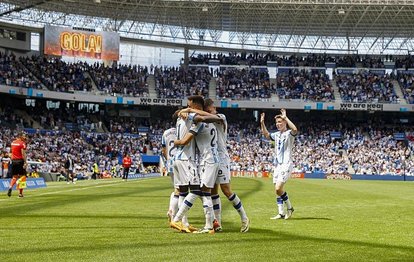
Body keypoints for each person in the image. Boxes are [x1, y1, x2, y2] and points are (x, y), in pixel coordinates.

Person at [179, 99, 250, 232]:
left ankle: (244, 218)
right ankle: (217, 224)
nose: (207, 112)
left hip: (222, 158)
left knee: (226, 190)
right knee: (212, 192)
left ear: (213, 108)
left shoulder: (221, 117)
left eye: (208, 110)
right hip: (211, 159)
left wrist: (189, 110)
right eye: (205, 110)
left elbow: (209, 118)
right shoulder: (204, 118)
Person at [170, 95, 223, 234]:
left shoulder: (188, 118)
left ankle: (184, 222)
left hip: (185, 158)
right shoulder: (195, 118)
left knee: (189, 192)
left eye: (190, 106)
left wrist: (176, 142)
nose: (187, 108)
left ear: (197, 108)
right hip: (192, 159)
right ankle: (183, 221)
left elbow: (178, 116)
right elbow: (208, 118)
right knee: (199, 192)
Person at [260, 109, 298, 220]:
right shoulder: (276, 135)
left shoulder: (289, 134)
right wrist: (262, 123)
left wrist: (286, 117)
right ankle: (281, 212)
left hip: (286, 164)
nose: (278, 124)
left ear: (285, 123)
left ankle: (290, 208)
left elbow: (295, 129)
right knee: (277, 191)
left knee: (278, 188)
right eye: (277, 122)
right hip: (277, 165)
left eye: (280, 122)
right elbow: (267, 135)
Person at [161, 110, 179, 222]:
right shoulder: (182, 131)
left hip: (170, 162)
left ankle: (171, 210)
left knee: (176, 188)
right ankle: (173, 213)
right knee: (181, 190)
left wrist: (168, 159)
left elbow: (163, 149)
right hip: (181, 162)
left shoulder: (165, 133)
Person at [7, 132, 28, 198]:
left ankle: (10, 186)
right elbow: (23, 154)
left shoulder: (13, 143)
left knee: (14, 176)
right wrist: (25, 162)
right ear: (20, 136)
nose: (25, 137)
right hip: (20, 161)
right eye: (24, 136)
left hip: (13, 161)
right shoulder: (22, 143)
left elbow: (11, 153)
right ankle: (20, 194)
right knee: (22, 177)